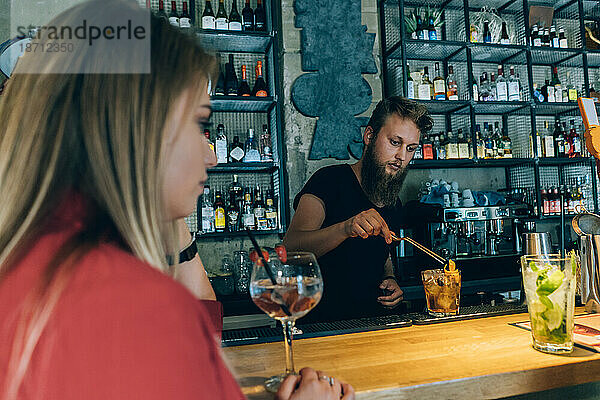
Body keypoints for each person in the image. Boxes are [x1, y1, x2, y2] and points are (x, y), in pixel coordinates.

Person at [0, 1, 354, 399]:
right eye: (199, 123)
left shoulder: (36, 259)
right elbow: (197, 340)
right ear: (135, 129)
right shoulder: (125, 297)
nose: (212, 155)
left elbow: (202, 331)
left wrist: (167, 206)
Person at [284, 96, 433, 322]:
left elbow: (382, 253)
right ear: (369, 136)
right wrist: (346, 228)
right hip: (322, 327)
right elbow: (290, 250)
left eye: (410, 148)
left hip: (372, 325)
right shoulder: (329, 181)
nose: (402, 156)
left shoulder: (393, 201)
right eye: (395, 142)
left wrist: (390, 278)